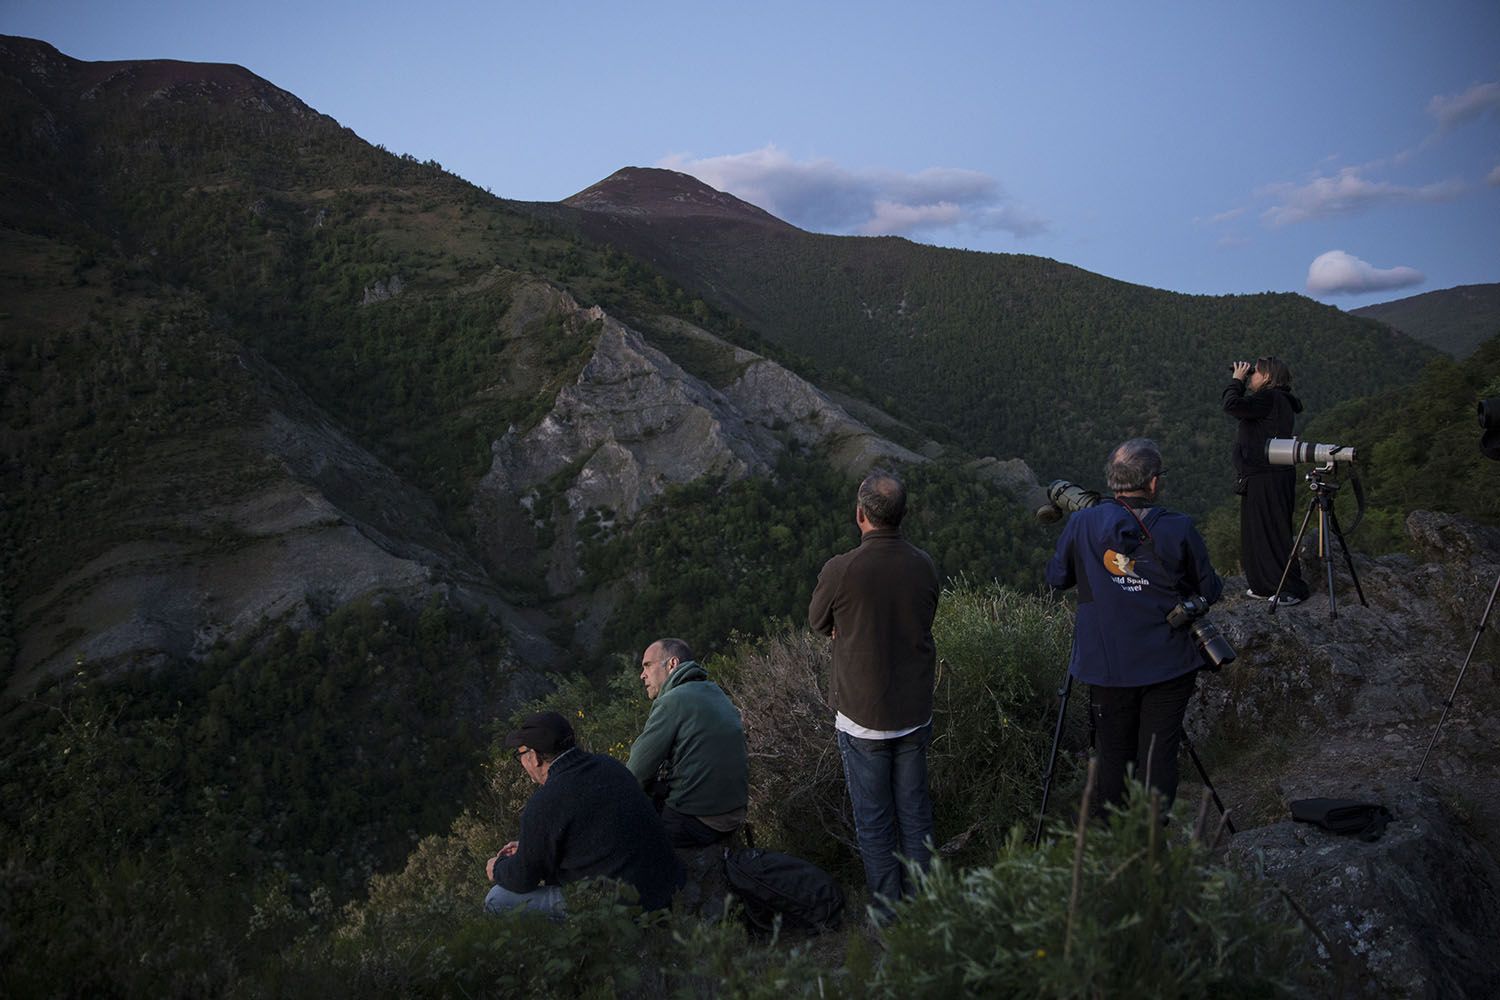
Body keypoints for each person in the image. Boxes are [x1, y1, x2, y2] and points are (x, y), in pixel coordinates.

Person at [1044, 438, 1223, 812]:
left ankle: (1115, 840)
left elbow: (1057, 578)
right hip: (1168, 664)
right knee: (1159, 753)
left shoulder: (1082, 524)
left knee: (1112, 754)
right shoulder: (1179, 528)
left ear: (1112, 480)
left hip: (1106, 664)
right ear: (1153, 483)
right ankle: (1153, 840)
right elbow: (1209, 589)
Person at [808, 470, 940, 921]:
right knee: (915, 813)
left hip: (862, 715)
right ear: (903, 515)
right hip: (914, 710)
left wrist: (845, 629)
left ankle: (888, 916)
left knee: (875, 822)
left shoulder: (841, 569)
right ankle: (925, 906)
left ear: (860, 514)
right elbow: (923, 620)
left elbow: (817, 621)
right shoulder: (922, 564)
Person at [484, 711, 681, 917]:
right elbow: (591, 837)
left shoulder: (546, 801)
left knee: (497, 899)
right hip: (665, 889)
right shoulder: (610, 766)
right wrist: (529, 849)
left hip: (623, 908)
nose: (522, 762)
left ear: (534, 757)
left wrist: (497, 867)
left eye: (521, 755)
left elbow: (522, 878)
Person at [626, 638, 750, 847]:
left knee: (634, 842)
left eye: (647, 665)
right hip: (734, 814)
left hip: (698, 819)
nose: (642, 675)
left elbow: (636, 771)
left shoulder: (673, 700)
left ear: (672, 664)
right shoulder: (716, 692)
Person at [1222, 356, 1309, 605]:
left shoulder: (1270, 397)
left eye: (1255, 373)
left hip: (1267, 475)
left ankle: (1289, 588)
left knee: (1271, 533)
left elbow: (1232, 406)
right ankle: (1264, 584)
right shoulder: (1277, 400)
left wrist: (1237, 381)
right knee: (1259, 533)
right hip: (1266, 474)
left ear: (1268, 377)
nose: (1252, 376)